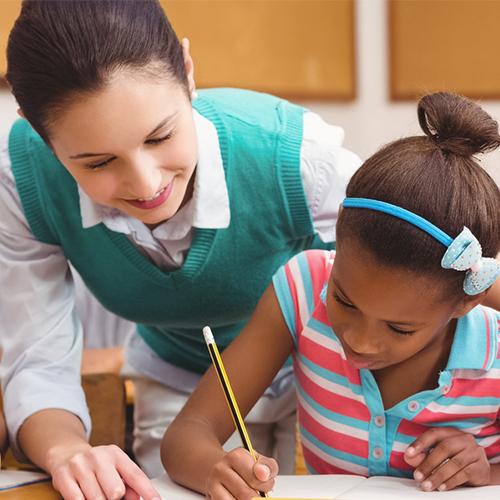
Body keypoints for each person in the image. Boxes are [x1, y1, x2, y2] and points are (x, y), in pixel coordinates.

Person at [0, 0, 361, 497]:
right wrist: (67, 450)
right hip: (180, 392)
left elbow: (418, 277)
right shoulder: (22, 180)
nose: (146, 185)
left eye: (161, 135)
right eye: (99, 162)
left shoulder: (291, 152)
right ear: (40, 133)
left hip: (332, 379)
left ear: (188, 73)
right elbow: (35, 358)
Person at [163, 92, 500, 498]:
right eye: (343, 300)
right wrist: (216, 469)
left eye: (399, 328)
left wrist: (486, 472)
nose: (359, 340)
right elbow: (187, 432)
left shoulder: (493, 345)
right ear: (337, 235)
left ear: (467, 302)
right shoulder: (304, 287)